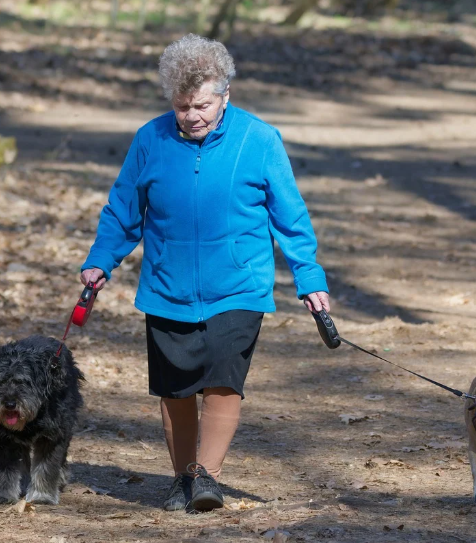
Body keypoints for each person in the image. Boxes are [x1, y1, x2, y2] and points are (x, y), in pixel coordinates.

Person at [80, 34, 330, 512]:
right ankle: (181, 478)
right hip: (167, 285)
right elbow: (123, 210)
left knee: (221, 377)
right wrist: (101, 259)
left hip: (238, 284)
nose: (192, 116)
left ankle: (207, 477)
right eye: (182, 106)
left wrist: (309, 276)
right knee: (175, 388)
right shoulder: (150, 139)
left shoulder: (259, 140)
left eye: (202, 105)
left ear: (225, 96)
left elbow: (291, 217)